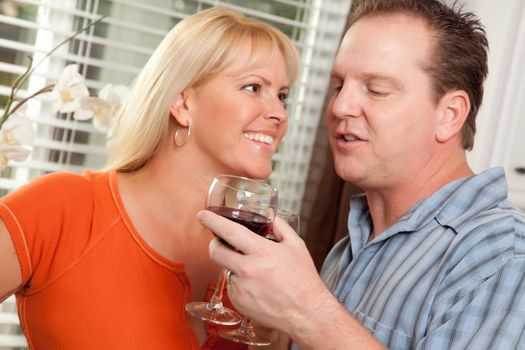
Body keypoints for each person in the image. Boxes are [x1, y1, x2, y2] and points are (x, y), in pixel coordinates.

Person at [198, 0, 525, 349]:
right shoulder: (349, 249)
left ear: (449, 114)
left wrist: (308, 311)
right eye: (339, 86)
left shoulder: (504, 260)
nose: (340, 107)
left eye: (376, 89)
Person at [0, 6, 299, 349]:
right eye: (253, 87)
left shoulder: (260, 258)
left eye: (282, 95)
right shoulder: (63, 209)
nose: (278, 113)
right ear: (183, 103)